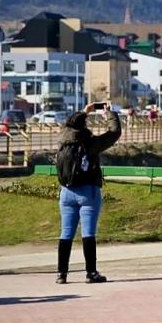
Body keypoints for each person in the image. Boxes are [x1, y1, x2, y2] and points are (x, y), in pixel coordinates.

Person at [56, 102, 121, 284]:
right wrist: (109, 113)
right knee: (88, 233)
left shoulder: (62, 139)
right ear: (84, 126)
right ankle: (91, 273)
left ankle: (61, 274)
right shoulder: (90, 143)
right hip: (88, 192)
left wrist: (84, 112)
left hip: (66, 192)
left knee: (66, 233)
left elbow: (71, 124)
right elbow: (114, 133)